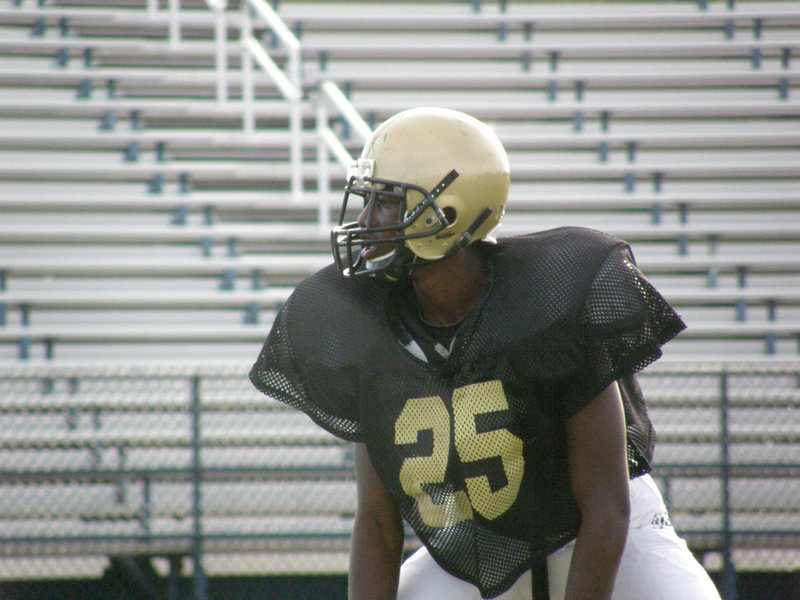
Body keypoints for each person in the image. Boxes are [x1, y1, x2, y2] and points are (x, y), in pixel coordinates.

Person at [250, 107, 722, 600]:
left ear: (446, 214)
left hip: (604, 535)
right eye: (367, 202)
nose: (365, 222)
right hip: (485, 542)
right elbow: (375, 523)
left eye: (386, 203)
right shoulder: (368, 322)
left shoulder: (548, 300)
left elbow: (608, 507)